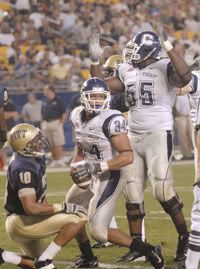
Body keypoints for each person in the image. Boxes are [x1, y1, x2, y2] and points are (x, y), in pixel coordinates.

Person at [89, 23, 192, 262]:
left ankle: (184, 237)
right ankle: (139, 247)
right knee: (132, 193)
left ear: (150, 50)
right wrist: (94, 59)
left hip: (158, 134)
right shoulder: (126, 68)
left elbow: (184, 76)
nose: (131, 52)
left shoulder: (164, 65)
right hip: (134, 135)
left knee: (163, 192)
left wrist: (168, 45)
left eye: (137, 48)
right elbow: (101, 86)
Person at [67, 77, 165, 269]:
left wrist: (96, 167)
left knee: (99, 232)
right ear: (83, 98)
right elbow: (81, 146)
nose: (96, 100)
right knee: (71, 211)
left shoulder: (112, 119)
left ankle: (149, 250)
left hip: (111, 174)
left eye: (100, 96)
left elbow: (127, 156)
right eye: (92, 96)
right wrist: (76, 164)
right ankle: (88, 257)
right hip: (91, 171)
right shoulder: (76, 115)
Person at [4, 123, 87, 269]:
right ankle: (45, 258)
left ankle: (14, 257)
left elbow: (40, 197)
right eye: (34, 141)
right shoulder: (23, 167)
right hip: (22, 222)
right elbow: (31, 208)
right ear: (23, 146)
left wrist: (57, 210)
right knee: (78, 217)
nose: (40, 143)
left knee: (39, 266)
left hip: (26, 218)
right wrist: (63, 207)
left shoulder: (32, 158)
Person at [41, 84, 67, 167]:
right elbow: (42, 113)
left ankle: (60, 159)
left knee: (58, 143)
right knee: (50, 144)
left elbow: (64, 113)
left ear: (50, 91)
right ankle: (55, 160)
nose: (44, 92)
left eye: (45, 90)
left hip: (56, 122)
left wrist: (61, 123)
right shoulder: (44, 102)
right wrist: (42, 122)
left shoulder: (59, 100)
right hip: (46, 123)